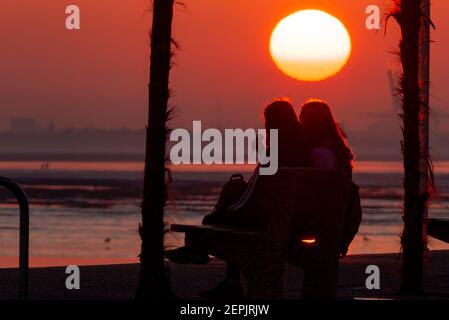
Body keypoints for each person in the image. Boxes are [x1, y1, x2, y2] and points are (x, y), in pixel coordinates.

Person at [165, 99, 310, 298]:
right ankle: (211, 264)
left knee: (213, 220)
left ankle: (198, 251)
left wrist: (230, 209)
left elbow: (253, 195)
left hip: (265, 221)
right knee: (227, 207)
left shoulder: (275, 152)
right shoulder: (303, 153)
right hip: (290, 221)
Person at [298, 99, 361, 257]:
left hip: (312, 220)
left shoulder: (318, 155)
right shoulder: (339, 154)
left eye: (302, 120)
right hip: (333, 219)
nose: (300, 124)